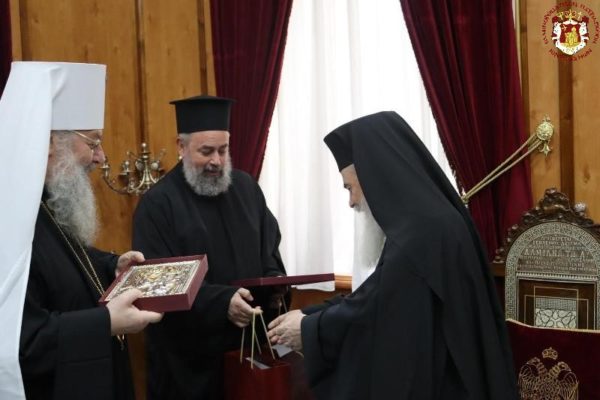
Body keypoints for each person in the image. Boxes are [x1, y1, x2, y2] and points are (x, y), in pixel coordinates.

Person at [268, 111, 518, 399]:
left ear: (375, 177)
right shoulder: (429, 223)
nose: (351, 202)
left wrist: (309, 329)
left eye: (350, 188)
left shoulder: (422, 234)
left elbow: (376, 310)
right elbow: (377, 293)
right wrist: (310, 315)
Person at [0, 61, 162, 400]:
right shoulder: (8, 219)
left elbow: (63, 261)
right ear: (49, 142)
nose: (101, 157)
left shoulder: (45, 201)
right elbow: (22, 343)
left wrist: (111, 266)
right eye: (93, 142)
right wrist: (106, 323)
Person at [132, 95, 287, 399]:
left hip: (247, 351)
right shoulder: (158, 205)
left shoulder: (247, 188)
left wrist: (275, 283)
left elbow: (269, 250)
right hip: (189, 364)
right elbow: (157, 285)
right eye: (206, 151)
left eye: (223, 150)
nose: (216, 160)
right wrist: (221, 302)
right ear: (181, 146)